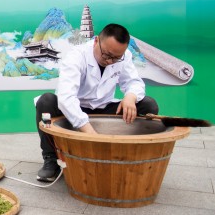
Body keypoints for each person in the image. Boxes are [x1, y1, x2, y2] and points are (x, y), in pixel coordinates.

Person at [35, 23, 159, 182]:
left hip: (103, 109)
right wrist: (89, 132)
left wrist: (131, 96)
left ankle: (132, 156)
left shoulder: (124, 56)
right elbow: (67, 97)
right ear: (96, 41)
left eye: (116, 58)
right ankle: (50, 159)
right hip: (73, 110)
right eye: (106, 55)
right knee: (46, 102)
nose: (110, 61)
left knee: (148, 105)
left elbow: (134, 82)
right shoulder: (76, 56)